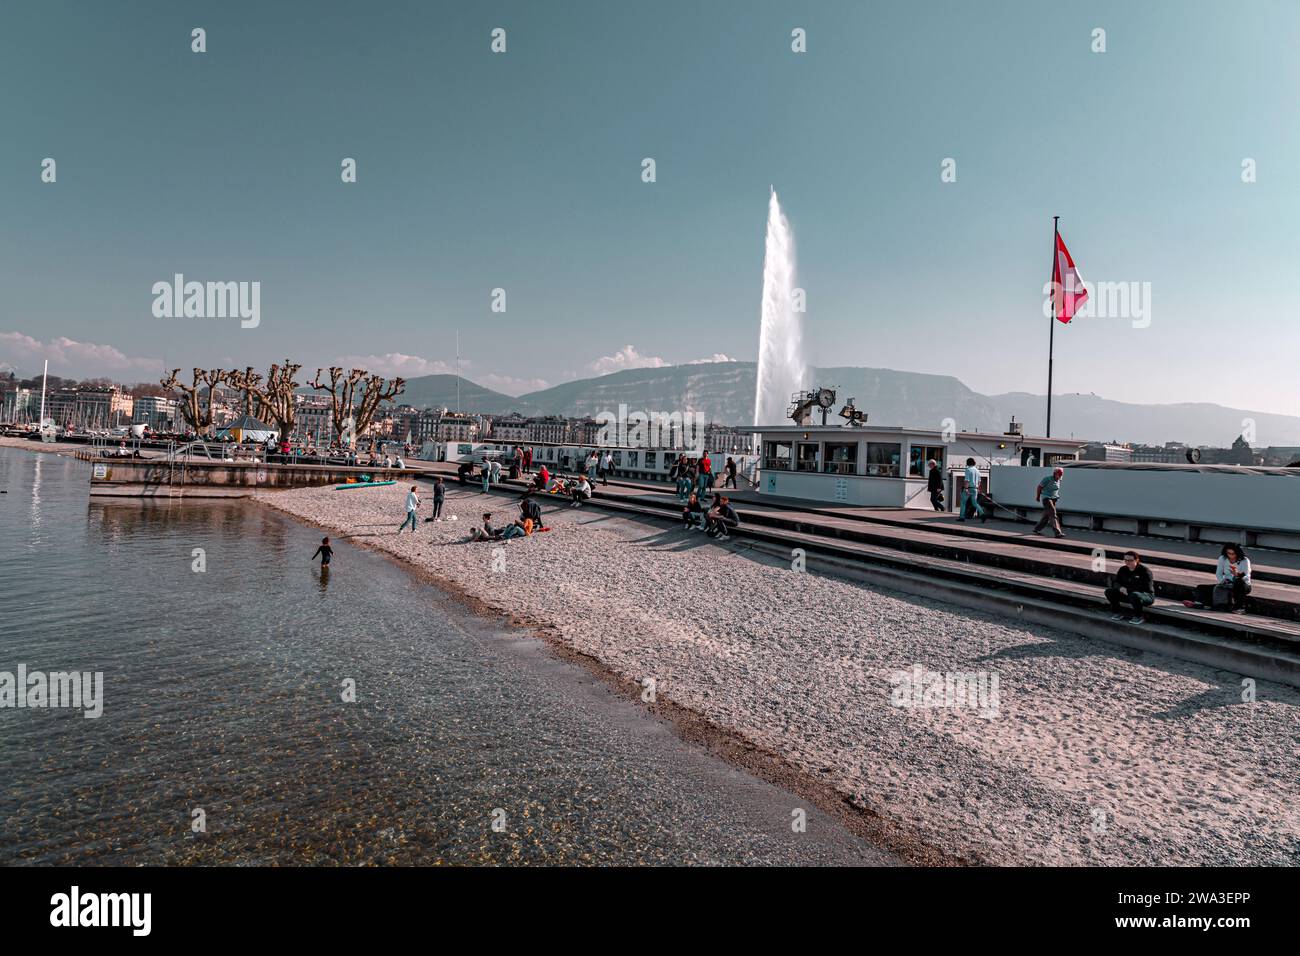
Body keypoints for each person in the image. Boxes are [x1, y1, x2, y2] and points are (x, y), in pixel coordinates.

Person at [1188, 544, 1252, 613]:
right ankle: (1201, 603)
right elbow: (1218, 573)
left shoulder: (1244, 560)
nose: (1231, 556)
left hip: (1243, 585)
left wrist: (1238, 575)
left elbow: (1247, 576)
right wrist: (1222, 581)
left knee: (1238, 582)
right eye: (1228, 553)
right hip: (1228, 583)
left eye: (1233, 554)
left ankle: (1240, 608)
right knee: (1201, 587)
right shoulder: (1223, 558)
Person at [1104, 550, 1155, 624]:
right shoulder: (1123, 569)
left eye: (1130, 560)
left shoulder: (1145, 571)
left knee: (1135, 595)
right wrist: (1120, 588)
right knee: (1109, 591)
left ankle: (1139, 616)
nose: (1127, 562)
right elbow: (1116, 582)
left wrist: (1128, 590)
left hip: (1145, 596)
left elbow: (1146, 587)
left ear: (1137, 560)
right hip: (1128, 594)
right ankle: (1117, 612)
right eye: (1126, 560)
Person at [1032, 466, 1065, 537]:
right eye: (1058, 474)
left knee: (1047, 516)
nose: (1059, 476)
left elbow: (1055, 489)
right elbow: (1039, 487)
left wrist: (1056, 497)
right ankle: (1058, 532)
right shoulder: (1047, 479)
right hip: (1046, 498)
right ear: (1054, 473)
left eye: (1061, 475)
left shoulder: (1059, 480)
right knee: (1053, 513)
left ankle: (1036, 529)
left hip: (1053, 499)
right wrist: (1037, 497)